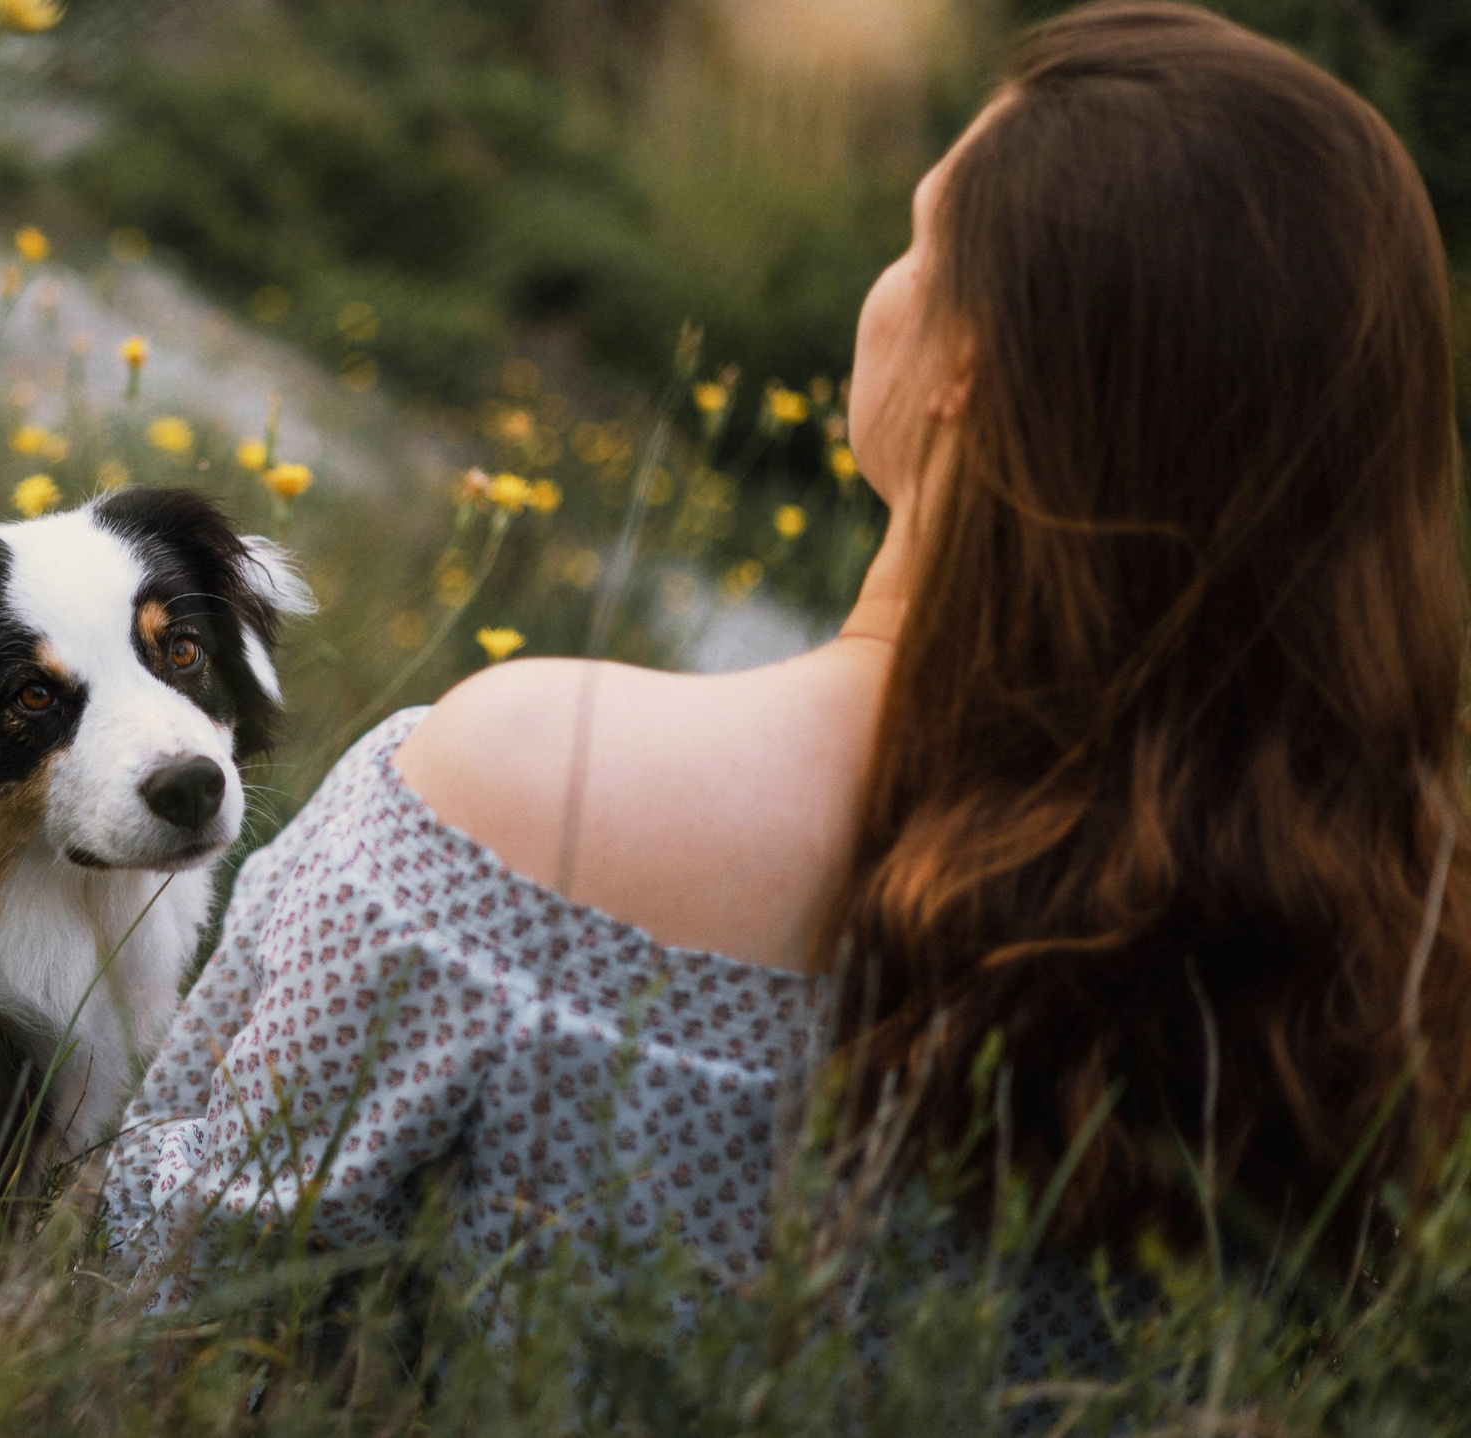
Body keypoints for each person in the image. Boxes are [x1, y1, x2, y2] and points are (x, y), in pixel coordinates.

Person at [103, 0, 1468, 1381]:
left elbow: (163, 1301)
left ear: (969, 364)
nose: (890, 279)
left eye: (921, 235)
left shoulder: (525, 788)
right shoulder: (1368, 990)